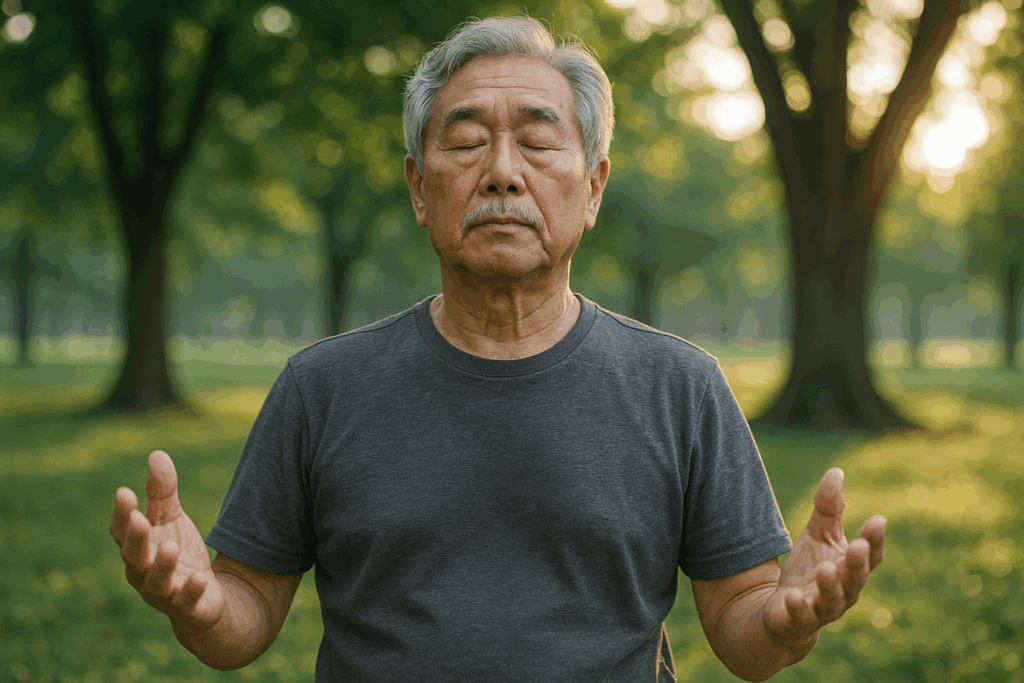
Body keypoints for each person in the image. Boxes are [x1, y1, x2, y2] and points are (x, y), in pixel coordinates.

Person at [109, 16, 886, 682]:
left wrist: (786, 620)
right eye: (468, 141)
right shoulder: (322, 387)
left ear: (593, 189)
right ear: (419, 187)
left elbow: (741, 622)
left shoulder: (680, 386)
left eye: (540, 144)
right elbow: (246, 605)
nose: (503, 174)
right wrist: (201, 603)